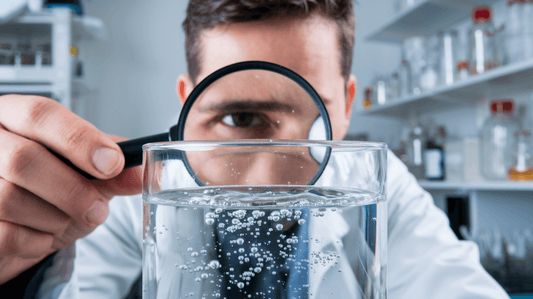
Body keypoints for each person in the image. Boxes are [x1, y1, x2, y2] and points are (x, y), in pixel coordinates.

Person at [0, 0, 510, 298]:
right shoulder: (144, 187)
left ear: (348, 105)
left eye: (310, 122)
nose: (269, 173)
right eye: (239, 119)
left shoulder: (377, 184)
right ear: (186, 106)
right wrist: (22, 263)